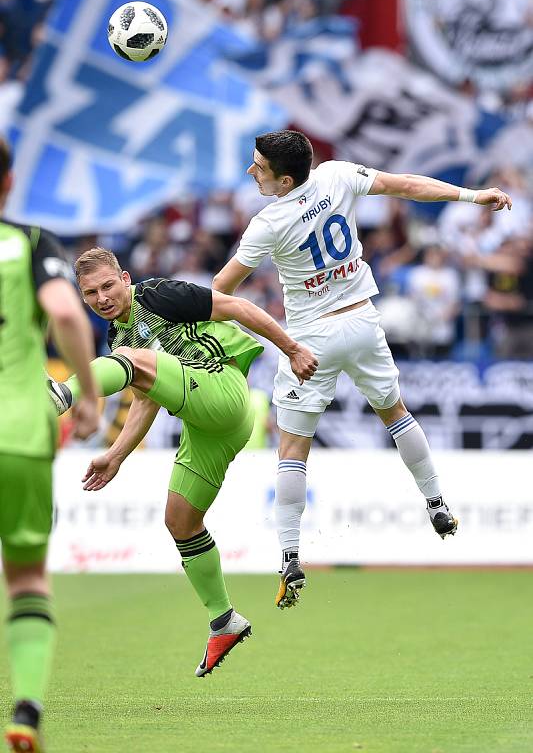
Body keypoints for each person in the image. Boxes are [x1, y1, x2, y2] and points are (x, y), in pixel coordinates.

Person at [212, 129, 513, 609]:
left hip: (311, 337)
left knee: (292, 449)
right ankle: (436, 502)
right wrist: (473, 195)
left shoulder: (267, 224)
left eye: (259, 168)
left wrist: (188, 318)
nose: (252, 172)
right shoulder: (337, 175)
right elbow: (408, 186)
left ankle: (290, 555)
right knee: (396, 413)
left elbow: (221, 289)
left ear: (284, 180)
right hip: (362, 320)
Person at [47, 247, 317, 677]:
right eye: (90, 293)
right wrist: (116, 454)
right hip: (207, 426)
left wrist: (291, 349)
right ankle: (224, 619)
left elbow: (238, 306)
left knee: (133, 363)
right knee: (180, 521)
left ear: (126, 278)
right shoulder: (119, 340)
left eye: (108, 285)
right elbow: (147, 397)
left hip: (222, 389)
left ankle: (61, 393)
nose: (101, 298)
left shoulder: (157, 296)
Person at [0, 139, 99, 752]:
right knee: (28, 579)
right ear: (9, 183)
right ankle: (26, 712)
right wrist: (88, 395)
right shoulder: (33, 243)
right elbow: (65, 312)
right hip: (17, 433)